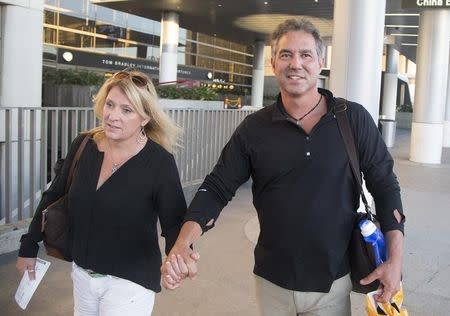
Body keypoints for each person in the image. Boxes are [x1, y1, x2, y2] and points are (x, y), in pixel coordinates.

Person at [161, 18, 405, 316]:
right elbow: (217, 186)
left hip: (333, 281)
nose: (295, 64)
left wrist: (395, 260)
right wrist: (183, 243)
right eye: (286, 54)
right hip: (272, 281)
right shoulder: (254, 129)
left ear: (320, 62)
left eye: (306, 55)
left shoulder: (351, 119)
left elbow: (385, 184)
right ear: (273, 62)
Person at [16, 70, 188, 315]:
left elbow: (174, 225)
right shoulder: (84, 145)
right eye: (110, 104)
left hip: (129, 285)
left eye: (126, 110)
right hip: (82, 276)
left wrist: (174, 262)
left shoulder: (159, 163)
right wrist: (28, 246)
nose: (112, 116)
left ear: (145, 118)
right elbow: (53, 196)